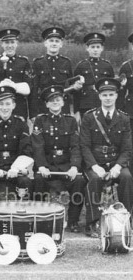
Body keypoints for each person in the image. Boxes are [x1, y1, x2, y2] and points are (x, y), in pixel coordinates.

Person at [80, 78, 133, 238]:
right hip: (95, 162)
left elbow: (126, 148)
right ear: (99, 96)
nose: (108, 98)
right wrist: (95, 166)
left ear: (117, 96)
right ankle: (93, 222)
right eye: (104, 95)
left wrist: (118, 167)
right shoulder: (89, 117)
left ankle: (126, 218)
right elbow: (84, 146)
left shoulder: (124, 118)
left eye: (111, 94)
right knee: (94, 180)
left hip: (116, 162)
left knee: (127, 177)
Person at [31, 85, 85, 233]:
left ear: (63, 102)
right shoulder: (40, 121)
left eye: (58, 100)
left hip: (66, 166)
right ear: (46, 104)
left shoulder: (71, 121)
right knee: (38, 180)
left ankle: (73, 221)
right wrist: (41, 166)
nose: (55, 103)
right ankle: (39, 219)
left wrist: (74, 167)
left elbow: (75, 146)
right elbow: (38, 146)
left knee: (79, 181)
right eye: (51, 101)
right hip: (47, 166)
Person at [30, 27, 82, 119]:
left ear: (61, 44)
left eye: (57, 41)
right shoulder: (38, 63)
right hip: (44, 106)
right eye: (51, 41)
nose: (54, 43)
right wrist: (33, 114)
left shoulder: (66, 62)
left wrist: (76, 86)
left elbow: (70, 87)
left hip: (63, 107)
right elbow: (34, 90)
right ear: (45, 43)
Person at [0, 28, 32, 120]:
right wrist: (1, 85)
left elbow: (29, 85)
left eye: (12, 42)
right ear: (2, 44)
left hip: (19, 107)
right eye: (7, 43)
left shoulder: (24, 62)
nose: (10, 45)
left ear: (16, 43)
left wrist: (14, 86)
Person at [74, 32, 114, 124]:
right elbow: (76, 91)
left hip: (104, 103)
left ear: (102, 49)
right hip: (86, 104)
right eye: (92, 47)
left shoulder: (107, 66)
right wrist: (76, 111)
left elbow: (113, 89)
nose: (95, 50)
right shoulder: (81, 66)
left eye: (98, 47)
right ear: (87, 48)